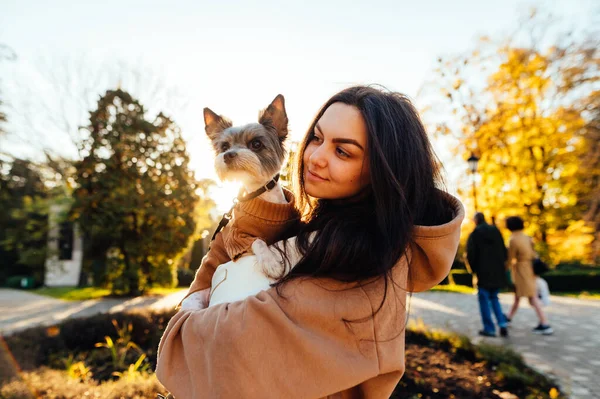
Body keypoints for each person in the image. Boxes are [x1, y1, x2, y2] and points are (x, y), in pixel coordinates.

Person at [156, 86, 464, 398]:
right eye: (316, 138)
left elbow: (223, 345)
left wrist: (188, 317)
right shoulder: (315, 227)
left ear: (382, 170)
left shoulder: (364, 260)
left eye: (343, 151)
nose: (314, 157)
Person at [505, 216, 553, 335]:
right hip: (530, 269)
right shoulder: (527, 238)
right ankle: (508, 318)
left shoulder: (513, 239)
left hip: (521, 270)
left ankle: (545, 323)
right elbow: (533, 254)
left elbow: (510, 259)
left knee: (532, 297)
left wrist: (504, 269)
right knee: (518, 295)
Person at [466, 212, 509, 338]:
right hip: (497, 271)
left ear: (476, 221)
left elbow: (471, 254)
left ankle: (489, 328)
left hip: (482, 272)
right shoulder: (496, 231)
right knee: (495, 298)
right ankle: (502, 324)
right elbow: (504, 250)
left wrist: (473, 270)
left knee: (484, 299)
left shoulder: (475, 234)